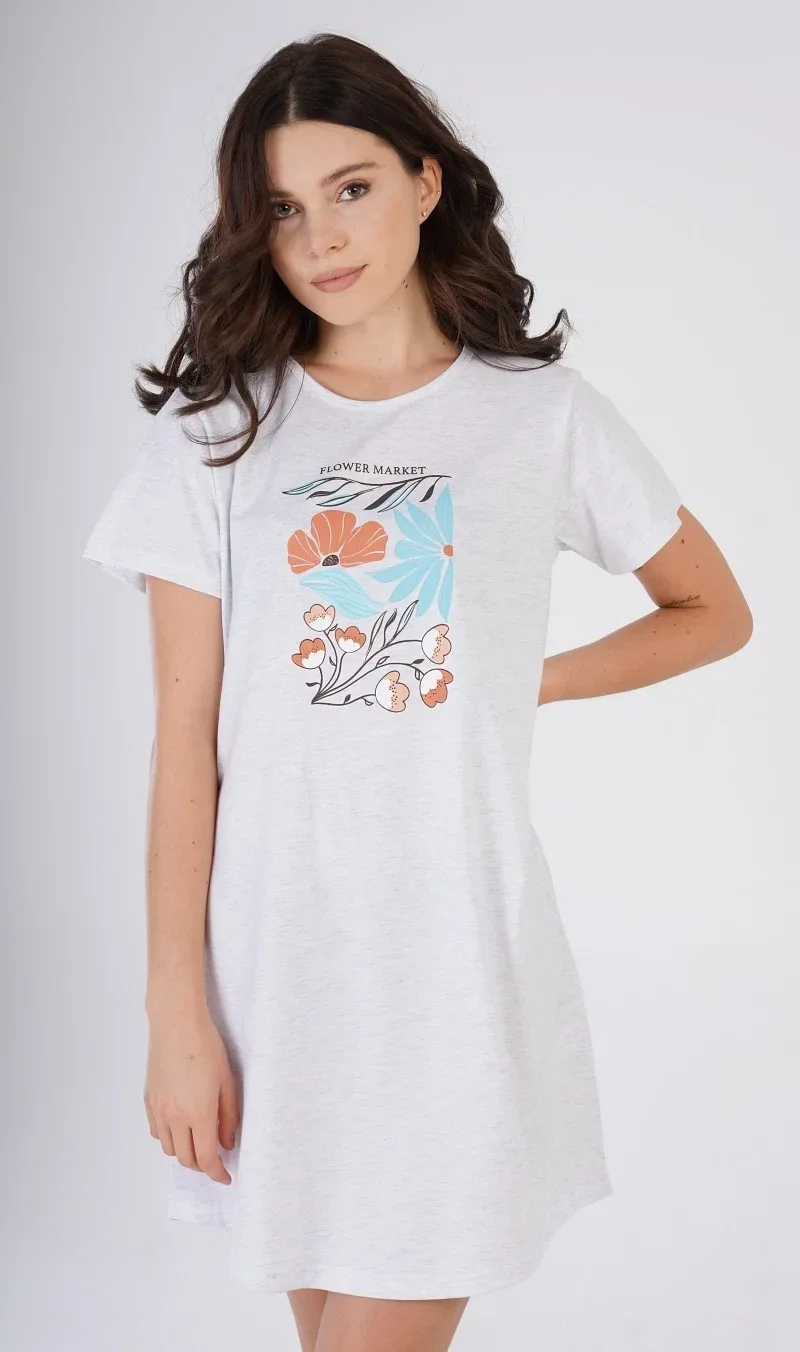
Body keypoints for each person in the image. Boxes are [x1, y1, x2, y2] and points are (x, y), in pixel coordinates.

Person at [81, 31, 753, 1352]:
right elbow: (184, 748)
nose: (323, 236)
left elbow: (713, 613)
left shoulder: (541, 416)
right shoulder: (216, 432)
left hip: (455, 971)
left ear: (426, 181)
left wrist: (524, 681)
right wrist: (175, 1014)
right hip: (275, 979)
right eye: (282, 208)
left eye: (352, 187)